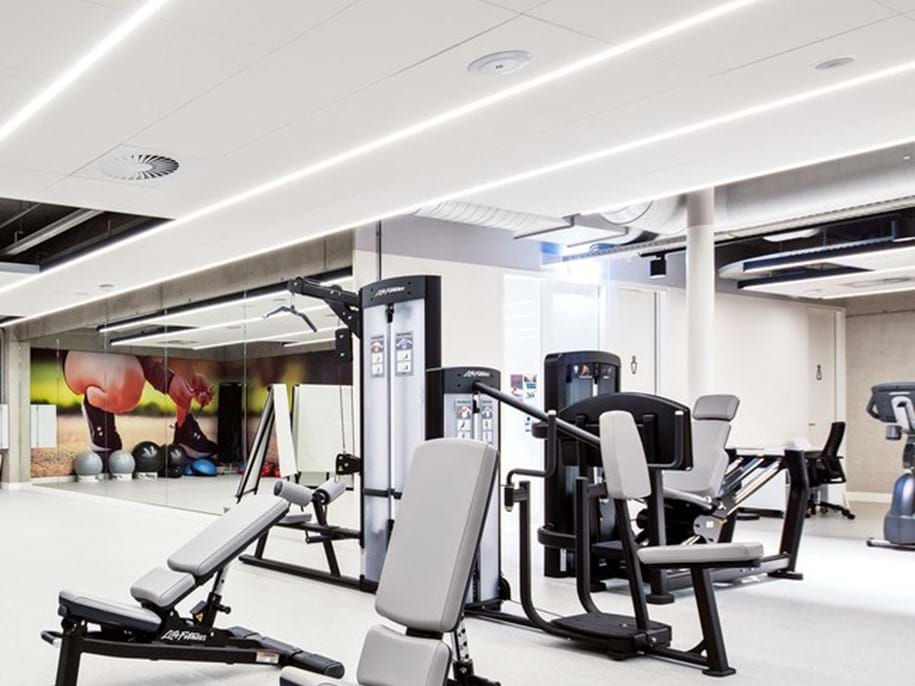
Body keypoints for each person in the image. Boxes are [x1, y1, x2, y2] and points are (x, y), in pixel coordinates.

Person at [62, 351, 218, 462]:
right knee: (127, 374)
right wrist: (167, 380)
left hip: (125, 351)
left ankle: (185, 429)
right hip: (87, 347)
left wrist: (188, 384)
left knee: (181, 344)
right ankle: (97, 406)